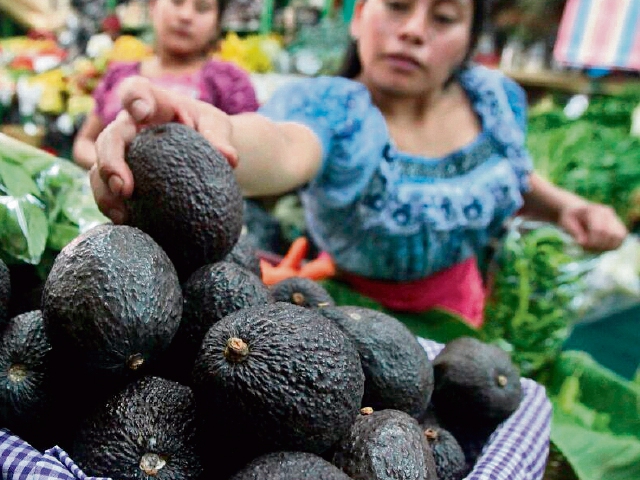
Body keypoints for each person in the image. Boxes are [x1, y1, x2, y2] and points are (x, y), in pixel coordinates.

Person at [89, 0, 628, 326]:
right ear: (358, 17)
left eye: (444, 17)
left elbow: (507, 174)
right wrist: (206, 136)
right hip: (347, 319)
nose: (415, 29)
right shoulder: (336, 111)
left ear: (469, 39)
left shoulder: (493, 99)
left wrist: (564, 208)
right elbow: (280, 144)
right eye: (395, 5)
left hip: (463, 308)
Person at [72, 0, 259, 170]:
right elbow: (84, 142)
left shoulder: (229, 80)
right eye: (176, 2)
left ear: (216, 23)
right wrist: (113, 163)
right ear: (153, 6)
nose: (186, 16)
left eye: (202, 8)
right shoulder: (119, 73)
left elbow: (250, 151)